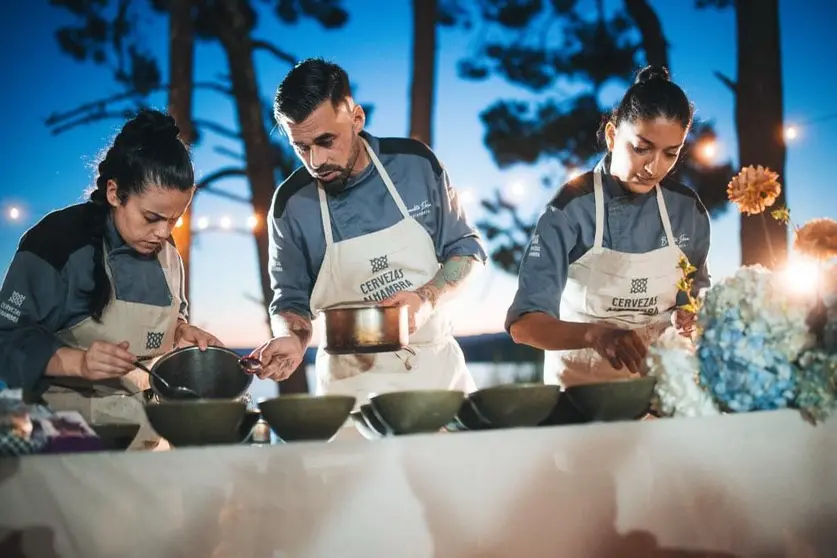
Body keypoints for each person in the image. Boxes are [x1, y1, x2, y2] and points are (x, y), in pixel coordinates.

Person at [249, 58, 486, 407]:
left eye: (326, 140)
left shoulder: (416, 165)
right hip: (349, 390)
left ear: (357, 118)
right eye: (301, 147)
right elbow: (290, 301)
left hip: (435, 375)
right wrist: (291, 339)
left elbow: (467, 252)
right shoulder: (290, 206)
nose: (315, 161)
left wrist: (426, 298)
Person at [0, 109, 223, 449]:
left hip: (146, 437)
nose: (163, 232)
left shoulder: (167, 253)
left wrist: (180, 331)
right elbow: (8, 339)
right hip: (63, 443)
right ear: (115, 193)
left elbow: (168, 318)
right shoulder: (56, 242)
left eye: (175, 219)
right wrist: (80, 362)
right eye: (152, 217)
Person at [506, 66, 711, 388]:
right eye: (641, 148)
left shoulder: (688, 210)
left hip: (665, 393)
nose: (654, 167)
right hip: (582, 397)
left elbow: (693, 296)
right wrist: (594, 334)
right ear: (613, 135)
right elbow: (524, 325)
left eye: (670, 153)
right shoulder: (571, 208)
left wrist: (691, 317)